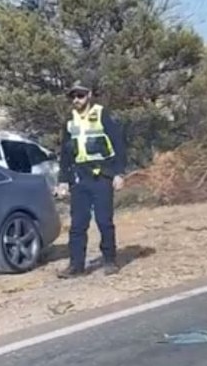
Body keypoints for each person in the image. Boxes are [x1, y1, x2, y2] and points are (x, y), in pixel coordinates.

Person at [55, 80, 127, 279]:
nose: (76, 100)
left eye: (80, 95)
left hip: (102, 175)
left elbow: (118, 144)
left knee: (104, 221)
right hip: (79, 178)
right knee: (78, 224)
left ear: (89, 95)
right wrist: (62, 180)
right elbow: (66, 153)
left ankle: (110, 260)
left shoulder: (102, 114)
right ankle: (76, 266)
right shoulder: (70, 119)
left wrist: (119, 173)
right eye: (73, 96)